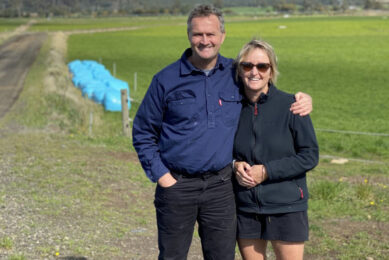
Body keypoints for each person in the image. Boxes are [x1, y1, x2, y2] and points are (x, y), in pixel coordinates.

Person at [132, 5, 312, 260]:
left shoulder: (235, 73)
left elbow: (261, 85)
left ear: (222, 36)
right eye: (198, 34)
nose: (204, 41)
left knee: (221, 256)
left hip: (221, 187)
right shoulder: (165, 80)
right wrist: (163, 177)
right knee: (172, 255)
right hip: (177, 185)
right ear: (188, 36)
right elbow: (142, 132)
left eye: (211, 34)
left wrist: (302, 99)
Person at [232, 39, 319, 260]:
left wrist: (267, 171)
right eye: (247, 65)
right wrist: (234, 164)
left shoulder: (292, 105)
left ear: (271, 71)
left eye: (262, 66)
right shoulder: (229, 107)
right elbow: (217, 147)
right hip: (246, 206)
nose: (254, 72)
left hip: (286, 205)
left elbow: (309, 156)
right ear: (239, 69)